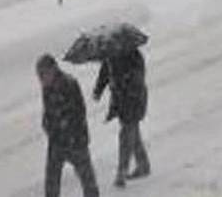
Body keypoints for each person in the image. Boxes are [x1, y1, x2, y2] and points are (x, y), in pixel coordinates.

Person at [37, 54, 99, 197]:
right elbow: (48, 111)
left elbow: (78, 112)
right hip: (57, 140)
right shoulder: (47, 88)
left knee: (86, 176)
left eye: (43, 74)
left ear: (53, 70)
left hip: (75, 139)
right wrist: (47, 124)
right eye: (39, 75)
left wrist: (65, 125)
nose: (41, 79)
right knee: (52, 178)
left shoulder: (69, 84)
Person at [94, 48, 150, 187]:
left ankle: (122, 172)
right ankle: (143, 164)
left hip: (134, 99)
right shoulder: (110, 57)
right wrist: (98, 90)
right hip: (121, 100)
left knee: (126, 134)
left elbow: (138, 77)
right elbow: (105, 73)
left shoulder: (134, 55)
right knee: (132, 133)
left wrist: (122, 81)